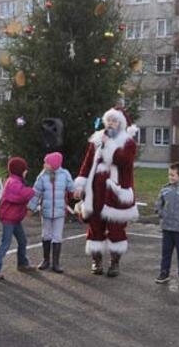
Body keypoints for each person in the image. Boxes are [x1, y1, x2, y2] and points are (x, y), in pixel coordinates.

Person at [74, 107, 138, 277]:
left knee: (116, 228)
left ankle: (115, 263)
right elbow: (87, 164)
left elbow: (123, 161)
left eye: (114, 120)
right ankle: (97, 261)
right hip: (95, 191)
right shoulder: (96, 140)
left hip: (116, 192)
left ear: (121, 123)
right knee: (95, 226)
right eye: (108, 120)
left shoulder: (128, 142)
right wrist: (80, 184)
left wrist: (109, 144)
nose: (110, 123)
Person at [0, 157, 36, 280]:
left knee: (22, 241)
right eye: (25, 170)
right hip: (9, 218)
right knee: (6, 243)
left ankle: (22, 263)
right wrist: (32, 191)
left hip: (15, 218)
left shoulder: (17, 181)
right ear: (20, 170)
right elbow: (19, 196)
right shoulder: (13, 182)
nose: (26, 172)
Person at [29, 152, 74, 273]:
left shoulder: (65, 174)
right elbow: (36, 192)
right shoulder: (43, 175)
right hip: (46, 211)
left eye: (46, 162)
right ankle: (46, 260)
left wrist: (77, 191)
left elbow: (72, 188)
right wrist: (30, 207)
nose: (44, 164)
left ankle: (56, 263)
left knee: (57, 236)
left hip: (59, 212)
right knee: (46, 235)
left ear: (53, 164)